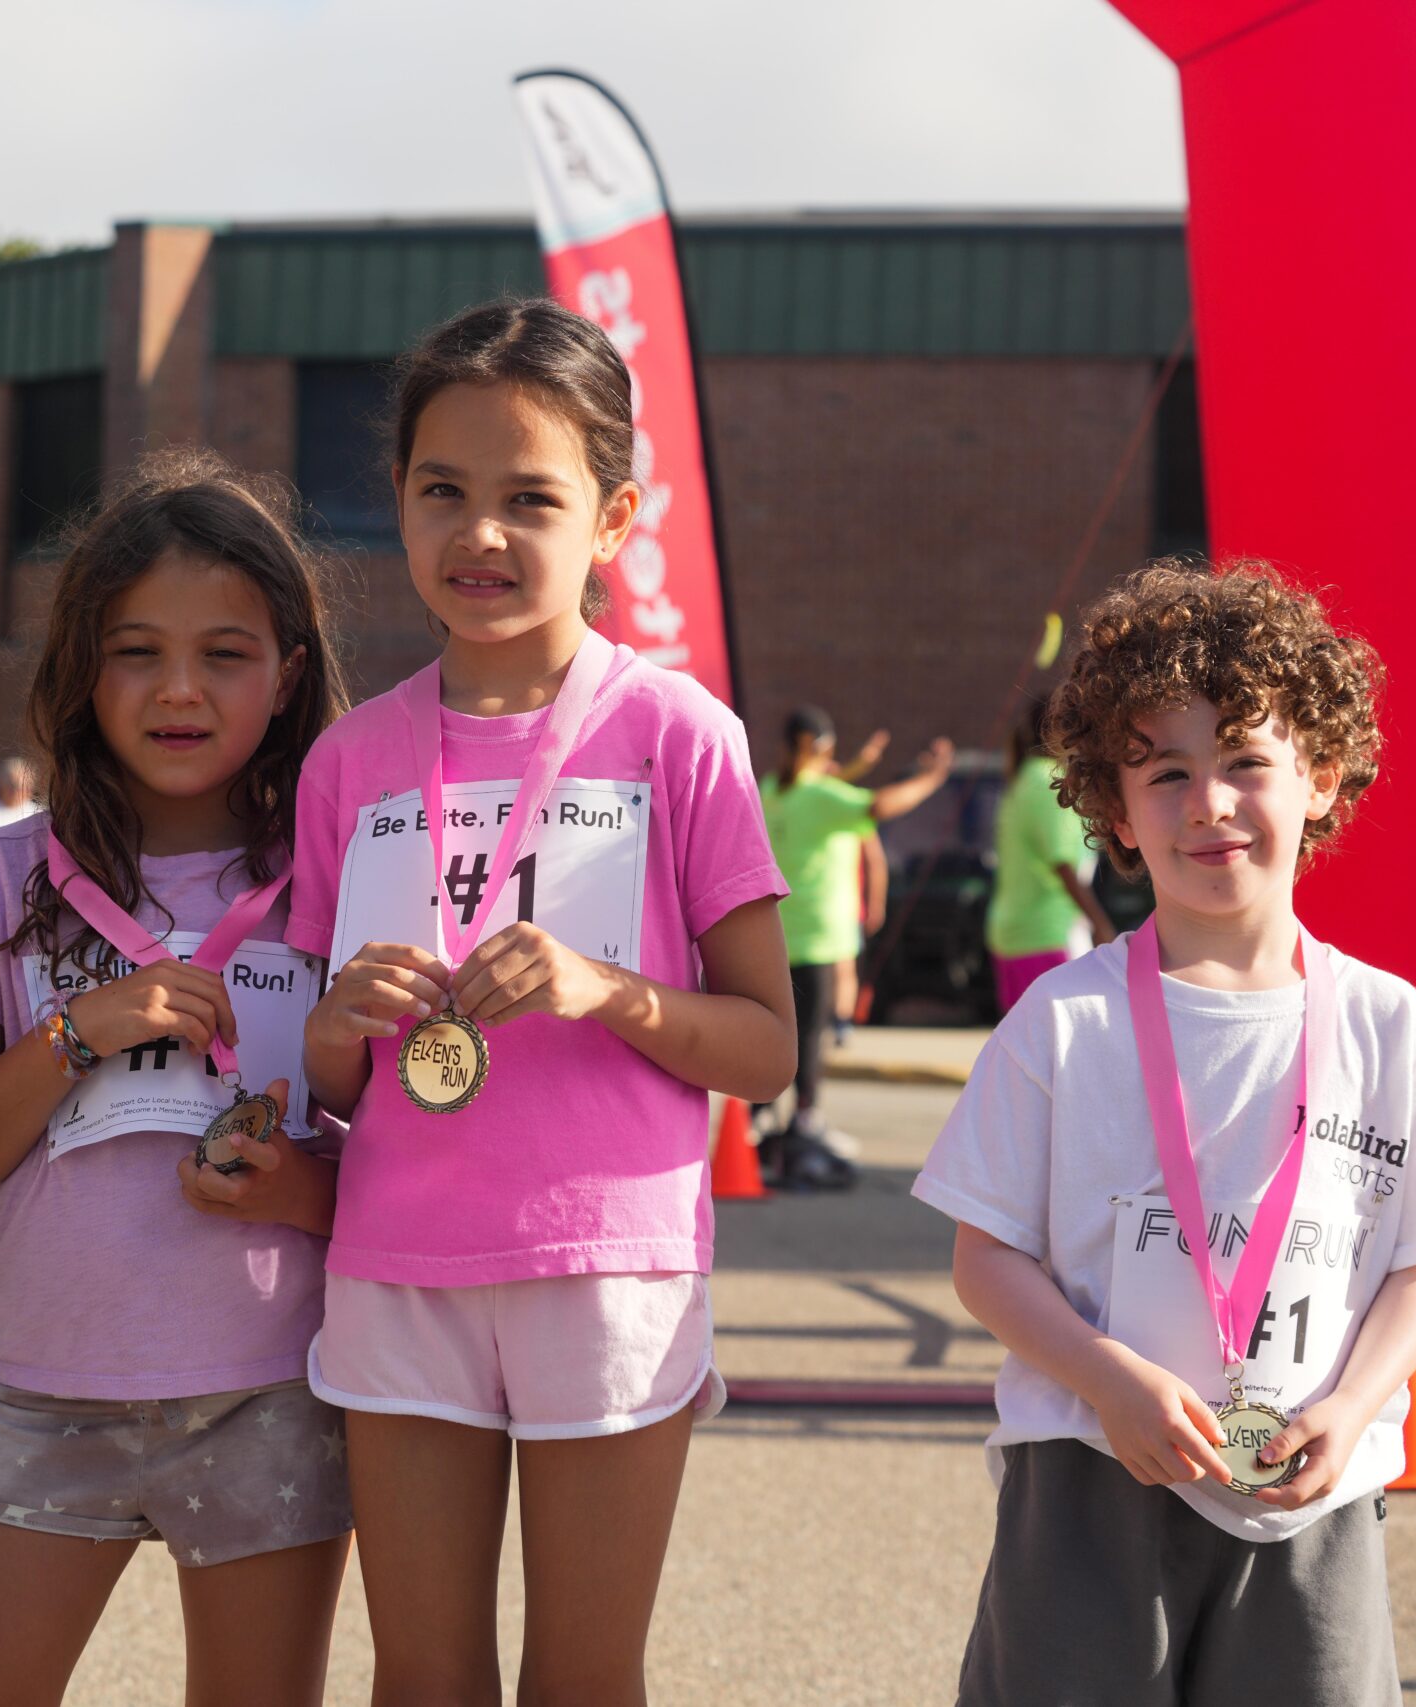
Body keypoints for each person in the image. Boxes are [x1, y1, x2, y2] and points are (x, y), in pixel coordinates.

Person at [287, 298, 795, 1702]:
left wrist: (607, 989)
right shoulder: (353, 758)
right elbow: (323, 1081)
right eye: (443, 491)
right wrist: (336, 1028)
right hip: (398, 1259)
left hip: (608, 1265)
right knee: (421, 1672)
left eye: (531, 498)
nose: (481, 535)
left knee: (583, 1672)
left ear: (614, 515)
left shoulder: (678, 732)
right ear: (397, 499)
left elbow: (765, 1048)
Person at [912, 561, 1416, 1705]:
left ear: (1319, 777)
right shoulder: (1063, 1020)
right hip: (1088, 1470)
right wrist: (1105, 1378)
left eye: (1243, 760)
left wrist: (1353, 1403)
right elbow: (984, 1260)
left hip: (1309, 1492)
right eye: (1165, 772)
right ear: (1113, 810)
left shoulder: (1386, 1023)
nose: (1208, 803)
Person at [0, 453, 355, 1706]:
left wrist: (297, 1194)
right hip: (49, 1389)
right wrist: (73, 1033)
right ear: (78, 671)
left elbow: (396, 1174)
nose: (179, 691)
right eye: (135, 651)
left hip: (273, 1392)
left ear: (291, 673)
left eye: (226, 653)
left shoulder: (339, 888)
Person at [758, 707, 953, 1189]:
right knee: (809, 1038)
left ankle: (759, 1120)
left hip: (780, 933)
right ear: (821, 749)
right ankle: (804, 1122)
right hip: (822, 938)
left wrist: (861, 763)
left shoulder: (772, 790)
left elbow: (828, 786)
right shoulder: (826, 796)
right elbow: (881, 805)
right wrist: (932, 779)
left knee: (778, 1032)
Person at [986, 693, 1113, 1010]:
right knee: (1074, 1051)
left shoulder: (1023, 779)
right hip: (1049, 934)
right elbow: (1062, 863)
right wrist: (1101, 924)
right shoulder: (1049, 782)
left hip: (1015, 933)